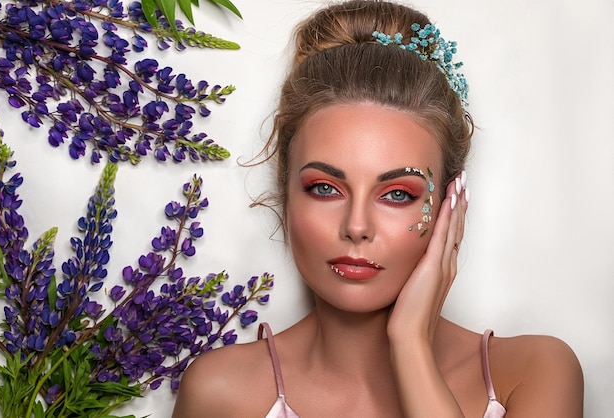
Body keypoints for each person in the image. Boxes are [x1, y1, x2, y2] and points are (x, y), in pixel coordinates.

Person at [172, 1, 584, 416]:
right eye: (325, 188)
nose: (356, 226)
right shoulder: (222, 392)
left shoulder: (532, 372)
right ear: (285, 192)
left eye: (398, 194)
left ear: (447, 202)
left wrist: (410, 344)